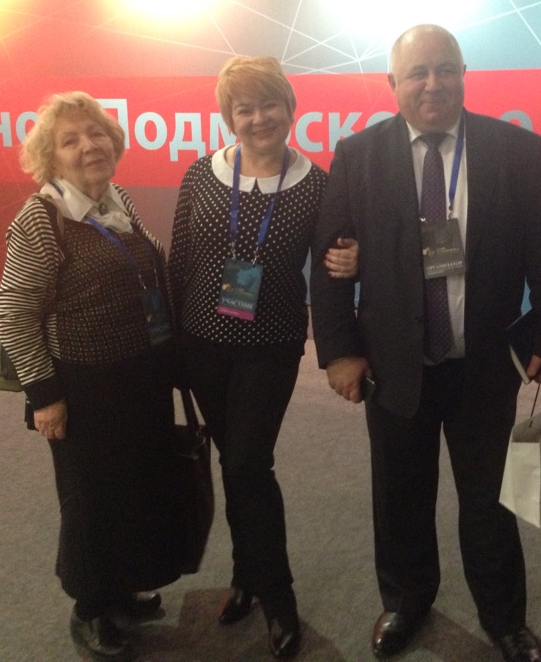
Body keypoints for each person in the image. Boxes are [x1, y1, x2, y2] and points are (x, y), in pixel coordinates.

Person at [310, 24, 541, 662]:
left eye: (445, 69)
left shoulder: (516, 150)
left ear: (463, 74)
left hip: (483, 362)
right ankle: (406, 602)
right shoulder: (358, 155)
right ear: (393, 84)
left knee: (490, 501)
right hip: (393, 362)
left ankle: (504, 619)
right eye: (418, 73)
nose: (433, 84)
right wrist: (340, 351)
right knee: (399, 495)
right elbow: (330, 261)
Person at [167, 56, 356, 659]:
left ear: (290, 109)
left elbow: (336, 266)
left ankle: (278, 595)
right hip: (201, 343)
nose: (258, 118)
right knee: (234, 464)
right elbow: (179, 262)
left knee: (250, 463)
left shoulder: (317, 184)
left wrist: (355, 260)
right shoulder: (202, 174)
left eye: (268, 104)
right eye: (243, 109)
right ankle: (246, 574)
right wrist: (171, 349)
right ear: (229, 117)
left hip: (269, 346)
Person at [0, 91, 183, 662]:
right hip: (82, 388)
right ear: (49, 158)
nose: (89, 146)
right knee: (90, 501)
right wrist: (45, 397)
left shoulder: (114, 200)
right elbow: (15, 313)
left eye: (96, 133)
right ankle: (91, 607)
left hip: (138, 378)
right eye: (70, 140)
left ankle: (121, 588)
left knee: (133, 489)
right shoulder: (42, 218)